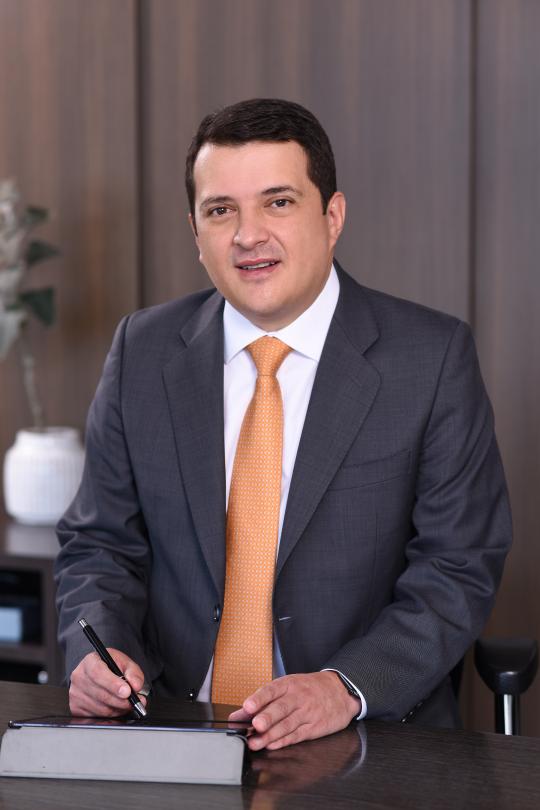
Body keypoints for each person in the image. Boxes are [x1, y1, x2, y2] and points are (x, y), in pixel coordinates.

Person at [55, 98, 511, 751]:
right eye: (221, 210)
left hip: (365, 737)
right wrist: (98, 651)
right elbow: (100, 543)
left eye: (278, 202)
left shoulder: (430, 359)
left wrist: (344, 687)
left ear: (333, 216)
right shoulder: (142, 351)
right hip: (169, 725)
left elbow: (458, 564)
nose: (248, 235)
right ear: (196, 233)